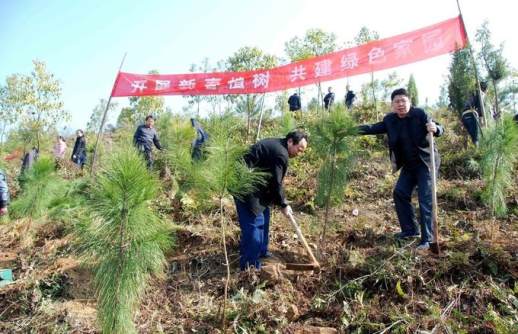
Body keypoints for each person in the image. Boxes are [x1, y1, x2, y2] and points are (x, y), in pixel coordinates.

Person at [358, 88, 444, 251]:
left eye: (403, 100)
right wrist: (348, 131)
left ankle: (428, 238)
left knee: (425, 199)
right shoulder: (390, 120)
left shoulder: (420, 114)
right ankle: (410, 230)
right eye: (396, 101)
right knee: (400, 192)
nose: (400, 104)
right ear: (392, 105)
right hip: (409, 165)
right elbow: (371, 128)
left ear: (409, 102)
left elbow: (439, 128)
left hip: (426, 163)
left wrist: (436, 129)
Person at [235, 130, 308, 270]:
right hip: (244, 186)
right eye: (299, 150)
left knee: (265, 216)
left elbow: (274, 179)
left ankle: (261, 253)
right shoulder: (281, 153)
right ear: (290, 141)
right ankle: (249, 266)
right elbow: (276, 182)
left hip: (256, 186)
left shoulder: (279, 146)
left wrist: (281, 201)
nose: (299, 154)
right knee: (255, 225)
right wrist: (283, 204)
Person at [462, 82, 487, 146]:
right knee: (476, 137)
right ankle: (479, 152)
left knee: (473, 137)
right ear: (484, 89)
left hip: (464, 116)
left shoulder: (472, 95)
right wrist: (481, 118)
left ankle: (477, 151)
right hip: (472, 114)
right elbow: (480, 107)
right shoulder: (480, 95)